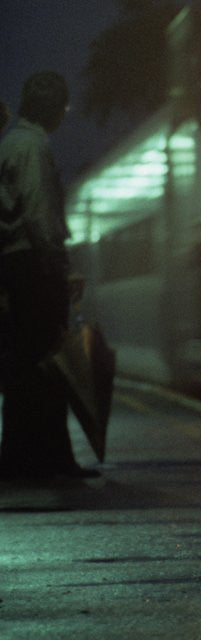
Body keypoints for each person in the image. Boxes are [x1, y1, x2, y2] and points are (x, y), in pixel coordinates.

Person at [0, 71, 94, 479]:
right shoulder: (32, 146)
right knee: (50, 362)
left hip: (17, 265)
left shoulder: (11, 142)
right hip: (32, 266)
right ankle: (50, 460)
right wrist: (61, 269)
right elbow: (40, 218)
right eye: (65, 107)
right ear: (56, 108)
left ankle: (29, 457)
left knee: (25, 367)